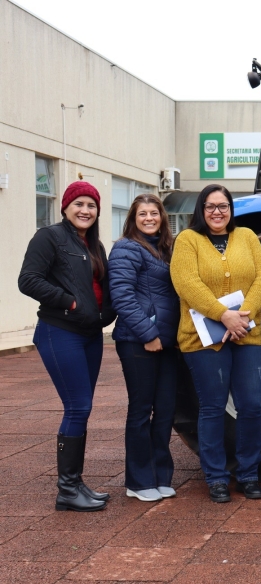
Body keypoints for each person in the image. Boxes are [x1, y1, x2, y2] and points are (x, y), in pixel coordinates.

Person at [18, 181, 117, 512]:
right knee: (78, 406)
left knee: (83, 407)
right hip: (59, 330)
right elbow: (28, 279)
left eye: (91, 205)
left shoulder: (94, 245)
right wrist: (71, 304)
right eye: (79, 204)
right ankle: (67, 490)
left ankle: (75, 485)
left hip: (90, 335)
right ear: (65, 207)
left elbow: (103, 286)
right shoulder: (49, 237)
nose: (85, 210)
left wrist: (105, 314)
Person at [171, 184, 261, 503]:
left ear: (231, 209)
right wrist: (223, 315)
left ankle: (249, 474)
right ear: (201, 210)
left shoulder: (248, 237)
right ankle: (215, 477)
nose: (217, 212)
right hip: (202, 341)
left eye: (223, 206)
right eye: (211, 206)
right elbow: (187, 283)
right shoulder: (187, 240)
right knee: (212, 408)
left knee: (251, 406)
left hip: (247, 335)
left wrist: (243, 316)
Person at [109, 194, 180, 503]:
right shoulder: (126, 248)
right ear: (133, 219)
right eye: (143, 214)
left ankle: (160, 476)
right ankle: (138, 481)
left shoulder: (165, 250)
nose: (149, 218)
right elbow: (121, 296)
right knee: (141, 410)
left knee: (165, 410)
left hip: (167, 342)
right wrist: (148, 333)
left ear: (162, 217)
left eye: (154, 213)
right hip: (138, 341)